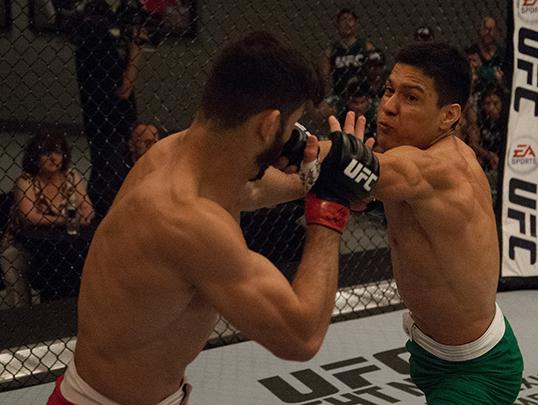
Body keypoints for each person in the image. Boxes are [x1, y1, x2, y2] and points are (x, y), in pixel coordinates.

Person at [46, 31, 379, 405]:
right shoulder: (186, 221)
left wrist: (312, 176)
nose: (291, 138)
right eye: (291, 126)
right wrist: (330, 205)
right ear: (268, 125)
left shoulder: (172, 155)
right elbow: (301, 336)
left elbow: (250, 189)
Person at [345, 41, 523, 403]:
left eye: (411, 98)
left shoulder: (443, 167)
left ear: (449, 116)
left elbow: (373, 171)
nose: (390, 107)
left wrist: (302, 148)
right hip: (430, 352)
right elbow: (370, 185)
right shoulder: (404, 155)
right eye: (390, 90)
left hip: (477, 370)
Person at [0, 131, 94, 308]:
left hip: (66, 242)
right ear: (35, 157)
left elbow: (87, 207)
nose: (53, 158)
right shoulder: (26, 181)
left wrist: (86, 215)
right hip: (25, 243)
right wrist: (67, 219)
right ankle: (23, 318)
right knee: (12, 258)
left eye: (57, 152)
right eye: (46, 153)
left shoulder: (70, 176)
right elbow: (31, 217)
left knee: (79, 260)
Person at [71, 0, 145, 219]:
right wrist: (136, 47)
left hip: (100, 119)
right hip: (113, 120)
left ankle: (102, 217)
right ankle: (106, 217)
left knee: (104, 166)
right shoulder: (100, 46)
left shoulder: (87, 45)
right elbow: (124, 88)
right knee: (112, 172)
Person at [319, 8, 375, 97]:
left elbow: (375, 72)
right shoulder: (331, 50)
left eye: (350, 20)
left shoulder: (366, 46)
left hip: (363, 95)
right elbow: (323, 77)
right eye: (343, 20)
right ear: (337, 24)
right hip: (339, 95)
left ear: (355, 24)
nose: (347, 23)